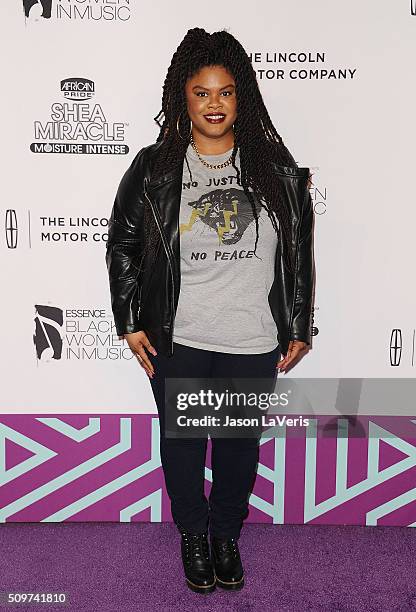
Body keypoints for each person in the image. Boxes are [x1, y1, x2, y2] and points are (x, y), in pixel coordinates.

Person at [105, 27, 315, 595]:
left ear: (241, 96)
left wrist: (298, 324)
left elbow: (298, 250)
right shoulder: (154, 167)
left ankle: (226, 537)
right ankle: (193, 536)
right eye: (201, 93)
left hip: (251, 335)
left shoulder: (273, 167)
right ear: (184, 97)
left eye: (225, 92)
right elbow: (122, 241)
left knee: (238, 452)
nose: (214, 104)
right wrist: (130, 320)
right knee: (185, 448)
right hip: (183, 337)